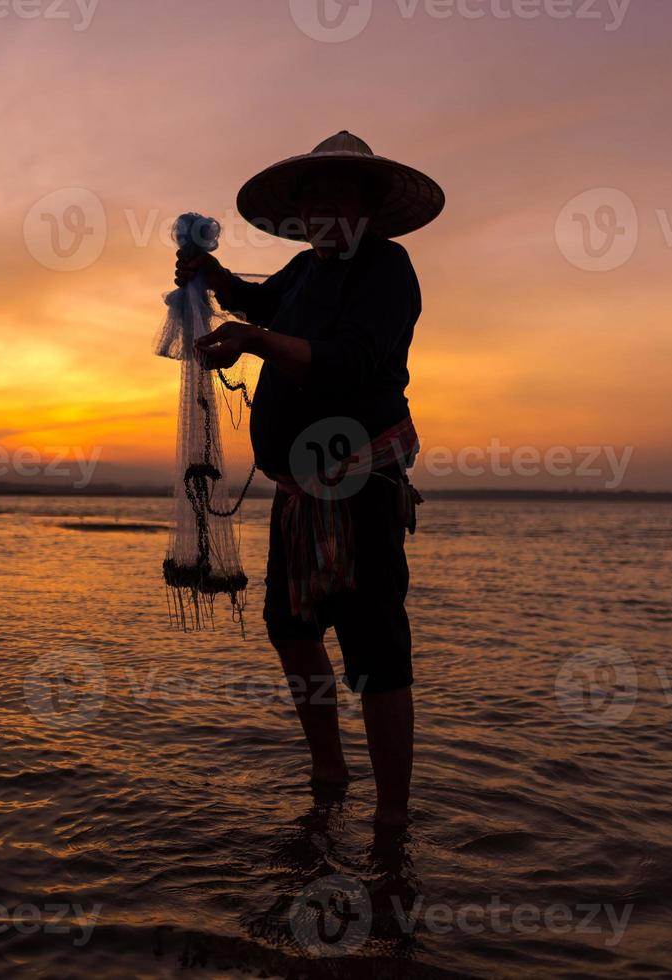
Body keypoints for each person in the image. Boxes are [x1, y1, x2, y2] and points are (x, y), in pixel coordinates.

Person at [174, 131, 443, 827]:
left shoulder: (387, 267)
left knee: (374, 646)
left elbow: (350, 360)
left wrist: (258, 343)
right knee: (290, 628)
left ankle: (391, 820)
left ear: (367, 205)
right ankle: (329, 768)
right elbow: (260, 307)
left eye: (339, 192)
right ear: (300, 212)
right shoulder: (301, 271)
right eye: (312, 195)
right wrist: (212, 275)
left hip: (361, 485)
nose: (324, 206)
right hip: (298, 495)